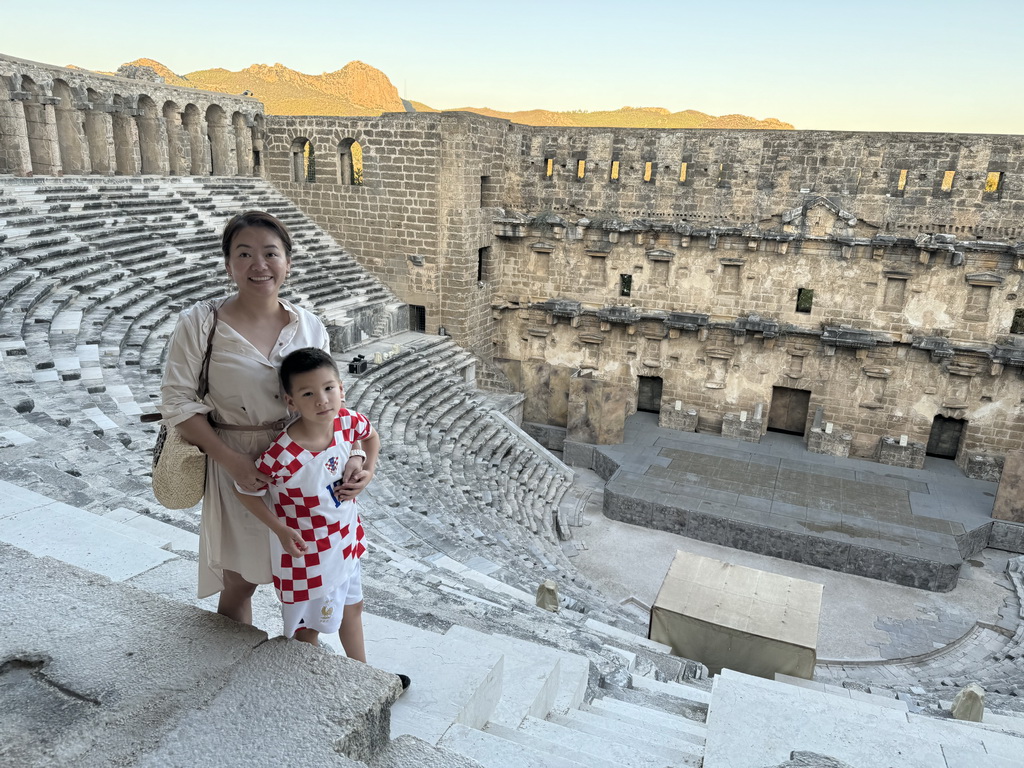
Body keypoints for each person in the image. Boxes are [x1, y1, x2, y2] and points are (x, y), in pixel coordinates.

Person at [159, 211, 370, 624]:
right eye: (245, 254)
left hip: (307, 470)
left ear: (287, 262)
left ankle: (318, 663)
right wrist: (231, 459)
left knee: (318, 573)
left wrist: (357, 455)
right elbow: (178, 403)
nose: (259, 265)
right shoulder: (201, 324)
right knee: (241, 579)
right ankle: (237, 666)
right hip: (239, 465)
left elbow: (332, 402)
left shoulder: (309, 326)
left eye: (270, 253)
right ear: (228, 264)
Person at [232, 348, 384, 668]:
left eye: (329, 388)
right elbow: (246, 491)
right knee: (308, 629)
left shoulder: (346, 421)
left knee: (353, 608)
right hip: (307, 556)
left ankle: (365, 674)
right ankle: (308, 682)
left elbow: (371, 437)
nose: (322, 400)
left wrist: (367, 470)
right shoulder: (283, 454)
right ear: (291, 402)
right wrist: (280, 529)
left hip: (345, 541)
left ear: (342, 388)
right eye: (308, 393)